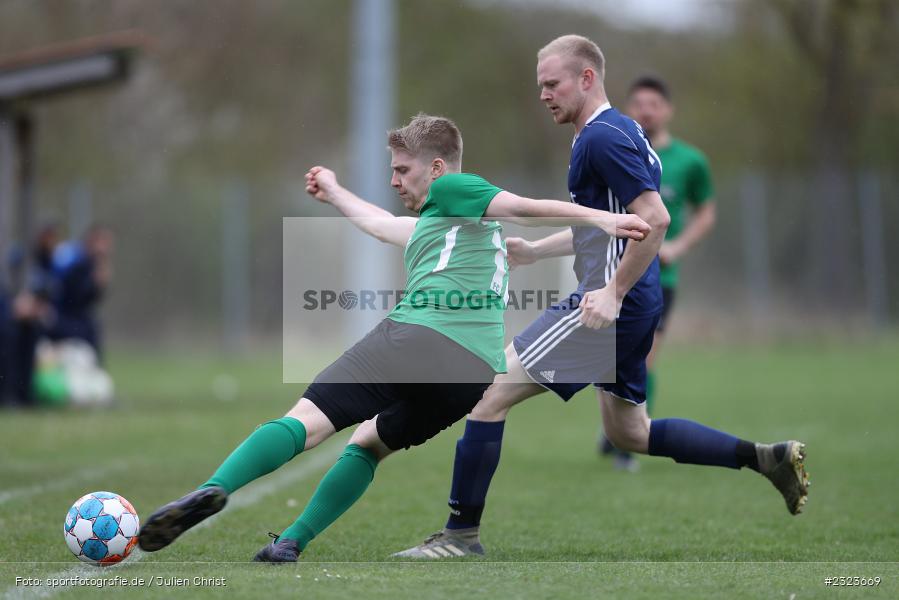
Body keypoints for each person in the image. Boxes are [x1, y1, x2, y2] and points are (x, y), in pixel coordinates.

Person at [137, 113, 649, 562]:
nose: (396, 181)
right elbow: (383, 226)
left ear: (438, 168)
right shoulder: (448, 224)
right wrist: (335, 191)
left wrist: (602, 217)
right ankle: (289, 542)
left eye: (404, 170)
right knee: (366, 444)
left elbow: (522, 203)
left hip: (421, 336)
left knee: (306, 423)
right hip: (471, 373)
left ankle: (212, 488)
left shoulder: (456, 189)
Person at [394, 35, 808, 560]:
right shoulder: (618, 130)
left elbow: (654, 221)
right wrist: (536, 252)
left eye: (552, 83)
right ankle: (763, 458)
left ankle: (458, 537)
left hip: (609, 308)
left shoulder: (600, 140)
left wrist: (611, 293)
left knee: (487, 394)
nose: (543, 94)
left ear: (587, 78)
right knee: (631, 432)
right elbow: (611, 224)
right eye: (539, 85)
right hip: (635, 302)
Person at [598, 75, 717, 471]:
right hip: (612, 275)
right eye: (639, 104)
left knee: (645, 360)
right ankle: (617, 425)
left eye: (654, 104)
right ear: (629, 109)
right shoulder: (618, 151)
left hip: (659, 280)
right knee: (607, 359)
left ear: (668, 110)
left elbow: (706, 212)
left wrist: (678, 247)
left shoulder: (690, 161)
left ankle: (628, 441)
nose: (646, 110)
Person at [50, 224, 114, 360]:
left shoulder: (92, 265)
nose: (106, 248)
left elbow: (92, 299)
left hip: (80, 320)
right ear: (92, 241)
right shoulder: (73, 259)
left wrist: (99, 285)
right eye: (103, 242)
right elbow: (73, 294)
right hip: (64, 317)